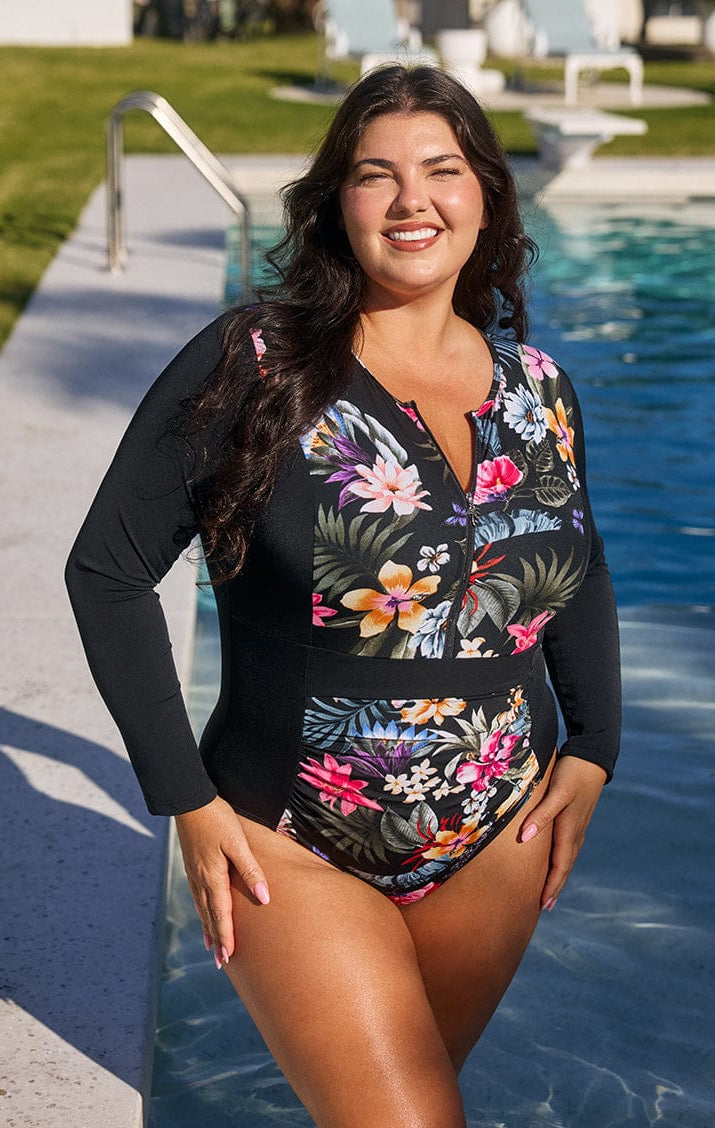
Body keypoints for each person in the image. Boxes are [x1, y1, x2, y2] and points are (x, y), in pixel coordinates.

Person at [66, 65, 621, 1128]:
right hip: (289, 835)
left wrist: (595, 747)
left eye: (441, 171)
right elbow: (109, 570)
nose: (412, 201)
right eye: (376, 176)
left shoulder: (539, 387)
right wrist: (181, 796)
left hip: (495, 838)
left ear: (487, 197)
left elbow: (578, 563)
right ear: (336, 205)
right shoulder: (257, 363)